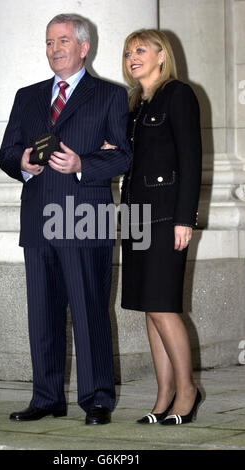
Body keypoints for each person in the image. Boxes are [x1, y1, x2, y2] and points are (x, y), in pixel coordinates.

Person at [0, 13, 131, 425]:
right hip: (37, 219)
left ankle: (97, 399)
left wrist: (80, 164)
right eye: (49, 42)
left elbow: (124, 155)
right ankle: (47, 397)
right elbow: (5, 151)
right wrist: (19, 162)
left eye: (63, 41)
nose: (55, 48)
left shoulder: (110, 95)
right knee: (43, 313)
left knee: (90, 311)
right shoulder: (27, 96)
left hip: (84, 219)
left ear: (84, 47)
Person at [120, 29, 202, 425]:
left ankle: (187, 390)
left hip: (167, 217)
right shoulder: (134, 105)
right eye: (128, 52)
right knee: (148, 308)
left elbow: (191, 160)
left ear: (161, 56)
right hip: (135, 217)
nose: (132, 56)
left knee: (163, 304)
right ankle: (163, 393)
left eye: (140, 50)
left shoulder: (179, 94)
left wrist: (186, 218)